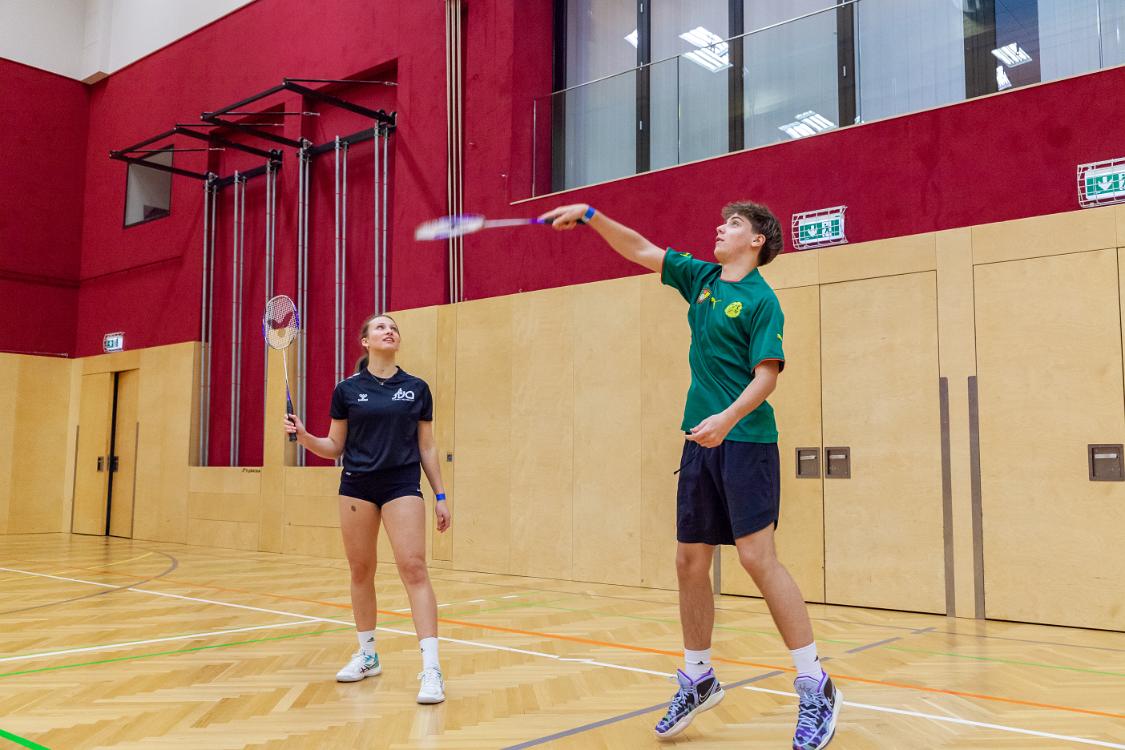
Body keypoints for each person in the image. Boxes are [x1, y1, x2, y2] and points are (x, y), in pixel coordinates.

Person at [539, 202, 841, 749]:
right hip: (700, 441)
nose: (720, 227)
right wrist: (591, 215)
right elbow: (640, 248)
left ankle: (815, 683)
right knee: (688, 562)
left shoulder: (762, 300)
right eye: (722, 221)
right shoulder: (701, 278)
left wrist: (727, 419)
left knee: (757, 559)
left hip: (745, 440)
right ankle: (699, 676)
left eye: (734, 224)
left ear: (757, 241)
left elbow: (766, 377)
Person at [284, 313, 452, 704]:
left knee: (414, 567)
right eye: (380, 327)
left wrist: (441, 495)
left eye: (393, 327)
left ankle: (431, 668)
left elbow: (427, 446)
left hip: (401, 484)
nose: (388, 331)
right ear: (365, 341)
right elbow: (334, 447)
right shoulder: (346, 390)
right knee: (361, 570)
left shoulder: (417, 388)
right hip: (357, 486)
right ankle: (368, 654)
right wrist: (305, 437)